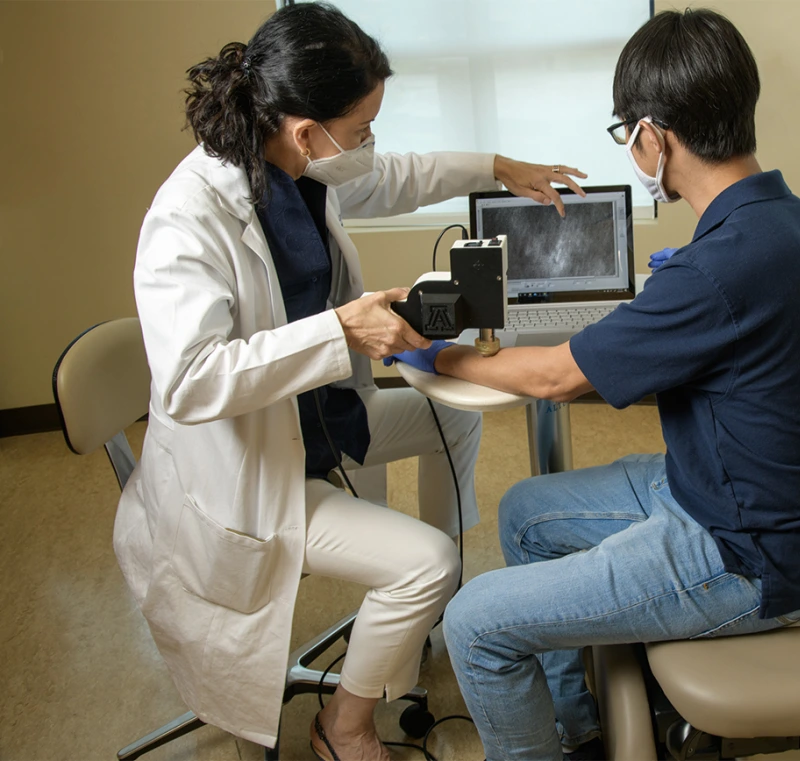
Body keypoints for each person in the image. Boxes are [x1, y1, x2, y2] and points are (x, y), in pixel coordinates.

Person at [112, 4, 586, 760]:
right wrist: (341, 331)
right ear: (307, 130)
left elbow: (398, 175)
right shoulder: (188, 217)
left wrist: (498, 167)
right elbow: (190, 382)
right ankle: (346, 724)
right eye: (362, 127)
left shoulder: (297, 166)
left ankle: (429, 612)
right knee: (419, 561)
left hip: (317, 416)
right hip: (248, 473)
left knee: (453, 421)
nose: (370, 143)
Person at [389, 9, 800, 760]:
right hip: (725, 489)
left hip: (745, 552)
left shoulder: (719, 266)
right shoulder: (799, 224)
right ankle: (582, 731)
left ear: (652, 136)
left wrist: (432, 353)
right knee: (526, 512)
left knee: (474, 622)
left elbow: (554, 376)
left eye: (625, 135)